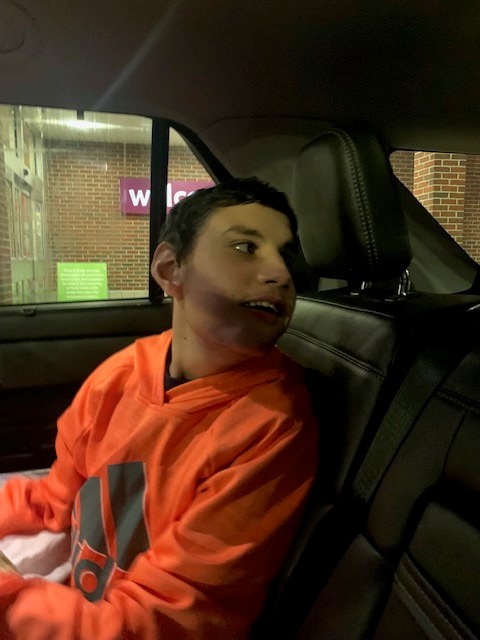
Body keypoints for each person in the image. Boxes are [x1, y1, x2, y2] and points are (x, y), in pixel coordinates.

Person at [0, 177, 318, 639]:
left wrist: (9, 597)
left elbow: (159, 621)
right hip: (82, 604)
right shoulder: (121, 375)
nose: (280, 274)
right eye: (246, 247)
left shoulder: (273, 426)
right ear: (171, 269)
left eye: (287, 257)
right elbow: (55, 500)